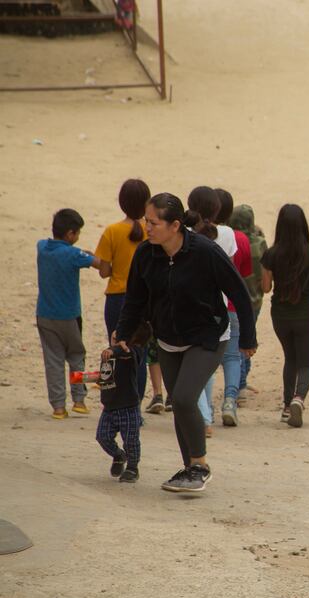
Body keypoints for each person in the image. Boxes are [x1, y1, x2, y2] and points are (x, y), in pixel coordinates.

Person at [115, 192, 257, 493]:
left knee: (182, 398)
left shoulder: (205, 251)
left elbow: (239, 292)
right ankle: (190, 469)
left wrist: (248, 337)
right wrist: (123, 333)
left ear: (175, 225)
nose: (147, 227)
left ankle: (199, 466)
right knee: (179, 406)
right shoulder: (145, 254)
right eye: (146, 221)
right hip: (168, 339)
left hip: (207, 336)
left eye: (153, 223)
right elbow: (135, 299)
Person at [36, 208, 103, 419]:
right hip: (69, 316)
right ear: (70, 234)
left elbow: (49, 246)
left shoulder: (42, 247)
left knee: (53, 360)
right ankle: (79, 400)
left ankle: (58, 407)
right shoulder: (74, 254)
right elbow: (98, 264)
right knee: (76, 356)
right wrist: (92, 255)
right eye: (78, 233)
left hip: (45, 313)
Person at [260, 204, 309, 428]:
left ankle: (287, 407)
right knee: (305, 363)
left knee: (290, 359)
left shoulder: (271, 254)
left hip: (280, 314)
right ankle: (299, 398)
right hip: (305, 313)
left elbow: (266, 288)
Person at [186, 187, 238, 437]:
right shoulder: (227, 234)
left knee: (192, 364)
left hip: (192, 305)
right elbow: (230, 270)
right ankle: (205, 416)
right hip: (219, 307)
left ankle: (203, 418)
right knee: (207, 365)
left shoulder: (185, 233)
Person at [94, 178, 151, 401]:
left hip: (117, 298)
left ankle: (119, 402)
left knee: (117, 351)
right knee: (139, 354)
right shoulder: (151, 230)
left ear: (122, 202)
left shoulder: (112, 231)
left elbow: (104, 272)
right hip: (144, 299)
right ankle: (136, 404)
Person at [214, 188, 251, 426]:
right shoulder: (240, 238)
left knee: (205, 356)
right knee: (232, 357)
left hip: (208, 305)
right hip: (232, 305)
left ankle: (204, 409)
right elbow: (244, 274)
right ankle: (230, 400)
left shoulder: (196, 234)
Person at [96, 322, 150, 483]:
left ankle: (133, 468)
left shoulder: (133, 353)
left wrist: (113, 349)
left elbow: (124, 351)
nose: (116, 333)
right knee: (102, 437)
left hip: (128, 407)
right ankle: (119, 455)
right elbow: (106, 376)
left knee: (131, 441)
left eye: (122, 332)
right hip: (109, 406)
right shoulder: (109, 353)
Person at [230, 204, 267, 397]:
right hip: (255, 299)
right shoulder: (259, 243)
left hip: (235, 300)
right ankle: (242, 381)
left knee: (239, 341)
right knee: (248, 338)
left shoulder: (233, 242)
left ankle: (241, 382)